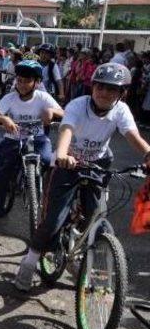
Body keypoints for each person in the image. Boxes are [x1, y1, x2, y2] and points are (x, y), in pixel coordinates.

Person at [14, 63, 150, 292]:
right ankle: (29, 262)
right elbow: (67, 129)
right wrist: (63, 154)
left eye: (112, 89)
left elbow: (132, 135)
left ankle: (78, 257)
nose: (105, 93)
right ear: (93, 87)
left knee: (94, 217)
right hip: (68, 162)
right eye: (100, 87)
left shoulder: (121, 110)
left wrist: (148, 153)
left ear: (121, 93)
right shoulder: (78, 105)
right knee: (54, 219)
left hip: (98, 163)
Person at [0, 61, 63, 236]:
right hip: (13, 140)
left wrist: (51, 112)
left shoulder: (43, 97)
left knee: (48, 161)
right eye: (19, 80)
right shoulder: (9, 98)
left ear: (36, 82)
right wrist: (4, 119)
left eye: (26, 81)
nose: (21, 84)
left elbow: (64, 113)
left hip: (37, 140)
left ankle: (46, 208)